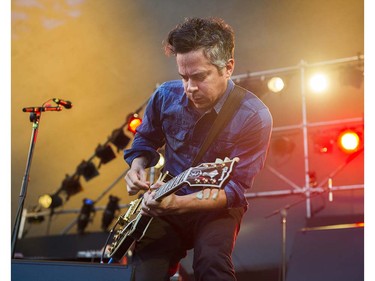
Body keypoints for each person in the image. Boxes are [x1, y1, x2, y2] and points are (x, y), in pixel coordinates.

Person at [123, 17, 273, 281]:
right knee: (143, 271)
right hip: (168, 196)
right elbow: (145, 140)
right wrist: (136, 167)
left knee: (213, 263)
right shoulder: (165, 96)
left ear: (228, 68)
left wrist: (178, 204)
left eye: (200, 77)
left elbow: (235, 189)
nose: (190, 88)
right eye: (183, 77)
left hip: (217, 208)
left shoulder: (254, 116)